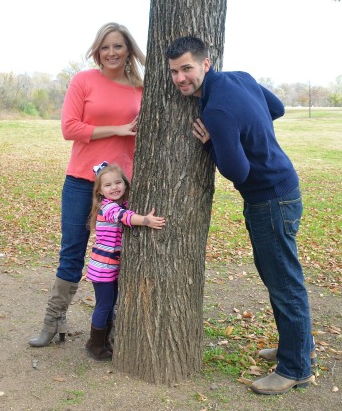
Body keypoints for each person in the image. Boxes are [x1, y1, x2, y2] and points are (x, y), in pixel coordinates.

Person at [166, 36, 315, 395]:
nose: (181, 78)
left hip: (269, 201)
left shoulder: (216, 111)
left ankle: (295, 368)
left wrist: (213, 141)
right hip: (283, 191)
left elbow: (239, 172)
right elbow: (276, 108)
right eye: (174, 71)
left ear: (205, 63)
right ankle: (297, 346)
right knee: (279, 277)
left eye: (187, 68)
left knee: (283, 283)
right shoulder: (241, 77)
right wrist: (251, 128)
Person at [28, 22, 146, 347]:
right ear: (97, 50)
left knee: (121, 256)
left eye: (118, 46)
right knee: (72, 252)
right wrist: (118, 129)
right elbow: (69, 127)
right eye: (105, 47)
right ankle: (53, 322)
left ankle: (110, 329)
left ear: (128, 51)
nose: (111, 52)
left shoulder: (141, 88)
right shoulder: (83, 81)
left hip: (122, 189)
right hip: (82, 181)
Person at [84, 162, 165, 360]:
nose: (114, 188)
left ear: (125, 184)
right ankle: (95, 344)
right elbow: (125, 217)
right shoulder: (109, 208)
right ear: (100, 191)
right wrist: (146, 220)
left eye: (118, 182)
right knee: (104, 305)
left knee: (111, 304)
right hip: (103, 268)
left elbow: (126, 211)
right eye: (108, 185)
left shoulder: (119, 204)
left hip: (112, 266)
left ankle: (105, 340)